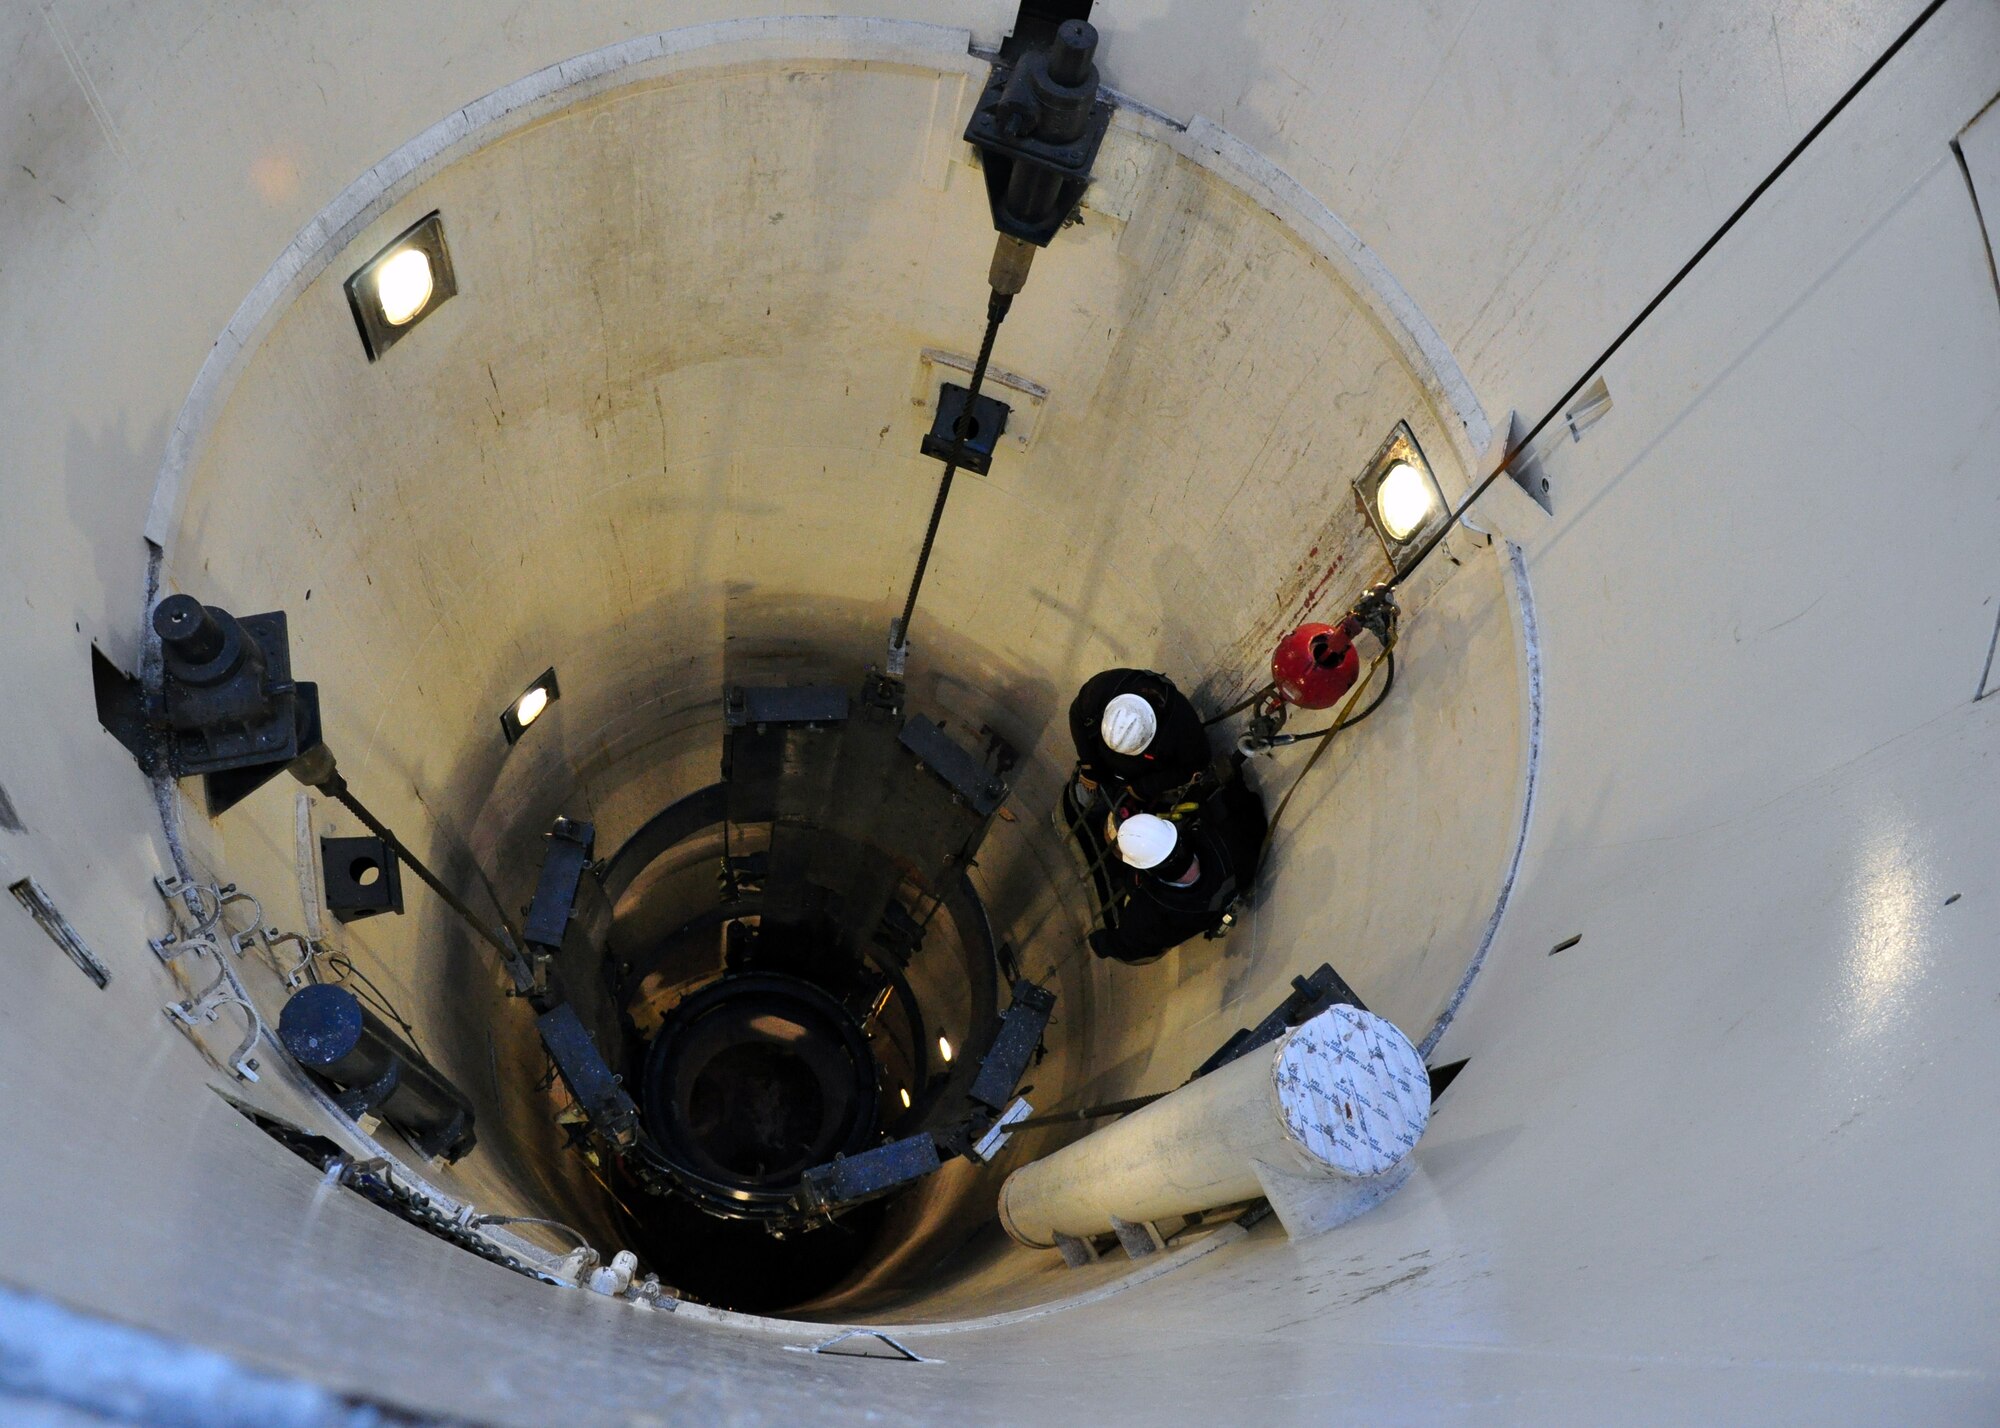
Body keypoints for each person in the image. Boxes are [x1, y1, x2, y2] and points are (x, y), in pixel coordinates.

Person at [1088, 777, 1268, 964]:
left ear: (1145, 867)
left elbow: (1129, 948)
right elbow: (1250, 810)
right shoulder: (1228, 839)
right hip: (1222, 892)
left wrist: (1101, 943)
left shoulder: (1147, 913)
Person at [1067, 669, 1211, 808]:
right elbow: (1076, 713)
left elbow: (1196, 764)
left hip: (1140, 776)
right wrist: (1089, 764)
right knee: (1085, 799)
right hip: (1102, 759)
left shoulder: (1182, 725)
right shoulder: (1106, 687)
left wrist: (1145, 787)